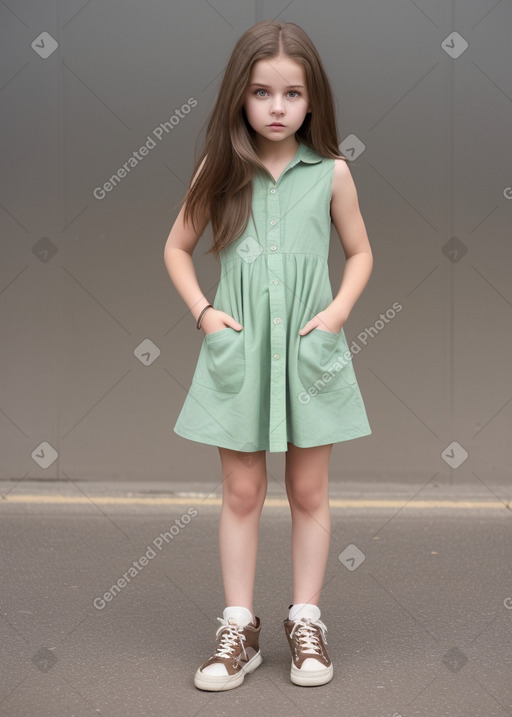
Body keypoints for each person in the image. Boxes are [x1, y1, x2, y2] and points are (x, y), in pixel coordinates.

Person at [163, 19, 373, 691]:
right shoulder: (220, 170)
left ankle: (306, 620)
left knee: (309, 489)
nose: (277, 107)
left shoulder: (332, 172)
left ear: (313, 101)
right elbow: (176, 246)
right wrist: (205, 314)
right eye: (261, 92)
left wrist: (337, 312)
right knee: (243, 489)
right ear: (239, 97)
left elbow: (361, 252)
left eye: (291, 93)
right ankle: (238, 627)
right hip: (241, 349)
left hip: (311, 354)